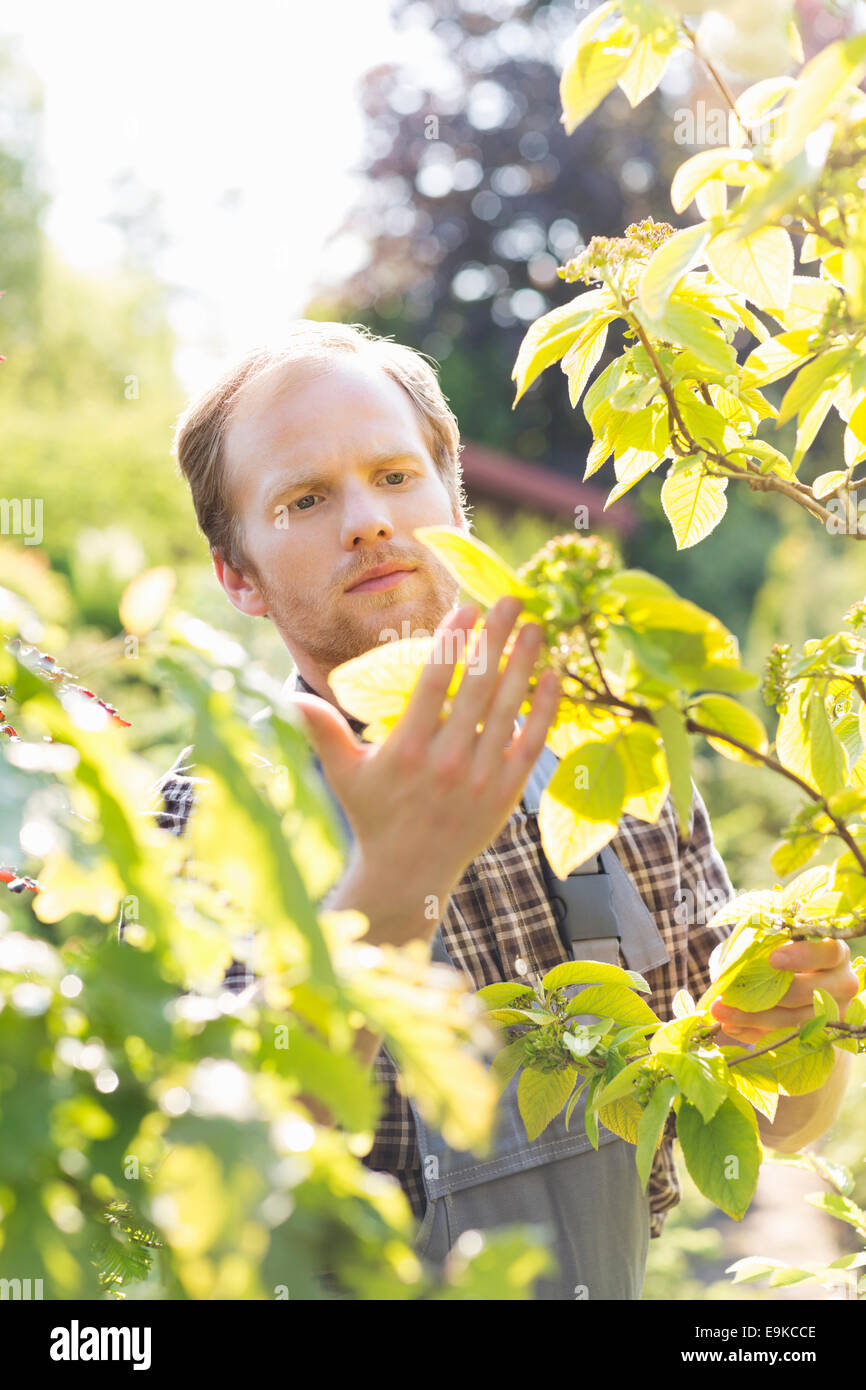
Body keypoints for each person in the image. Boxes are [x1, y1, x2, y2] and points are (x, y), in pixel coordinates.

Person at [172, 320, 856, 1299]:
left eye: (395, 475)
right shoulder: (208, 817)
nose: (367, 518)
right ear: (235, 573)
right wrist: (390, 892)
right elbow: (216, 1188)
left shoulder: (601, 749)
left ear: (453, 496)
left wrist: (799, 1031)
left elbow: (766, 1114)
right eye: (305, 497)